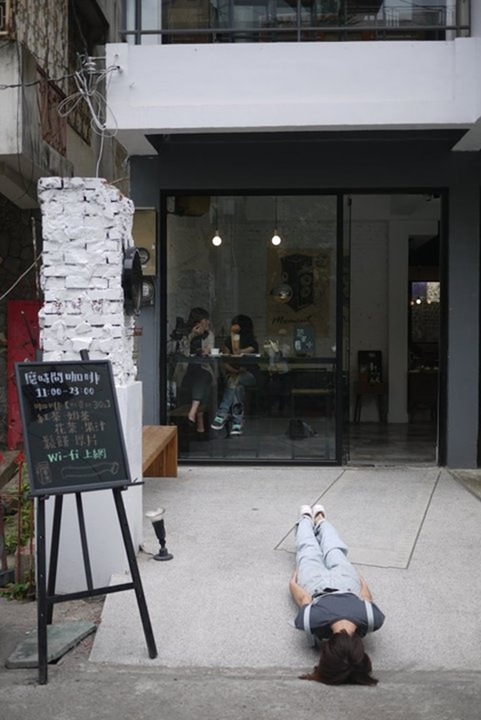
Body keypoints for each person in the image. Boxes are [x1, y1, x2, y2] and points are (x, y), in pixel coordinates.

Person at [289, 504, 385, 686]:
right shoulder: (309, 622)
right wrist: (293, 583)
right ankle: (305, 518)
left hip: (347, 583)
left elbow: (366, 596)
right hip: (315, 584)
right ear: (327, 649)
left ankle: (320, 518)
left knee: (334, 549)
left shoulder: (373, 620)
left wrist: (360, 580)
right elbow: (303, 599)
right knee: (308, 549)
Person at [210, 314, 258, 436]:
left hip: (250, 375)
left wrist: (234, 335)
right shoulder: (227, 341)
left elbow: (237, 353)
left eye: (235, 324)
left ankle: (222, 413)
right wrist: (234, 371)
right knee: (237, 387)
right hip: (233, 373)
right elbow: (225, 361)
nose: (232, 326)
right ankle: (237, 421)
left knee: (234, 381)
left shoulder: (252, 343)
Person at [175, 307, 215, 436]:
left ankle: (192, 413)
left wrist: (206, 351)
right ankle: (199, 419)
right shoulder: (185, 334)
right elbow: (182, 352)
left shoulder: (209, 334)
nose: (208, 322)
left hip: (204, 369)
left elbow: (210, 349)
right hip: (187, 371)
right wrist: (192, 336)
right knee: (200, 384)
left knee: (202, 377)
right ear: (198, 322)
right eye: (205, 320)